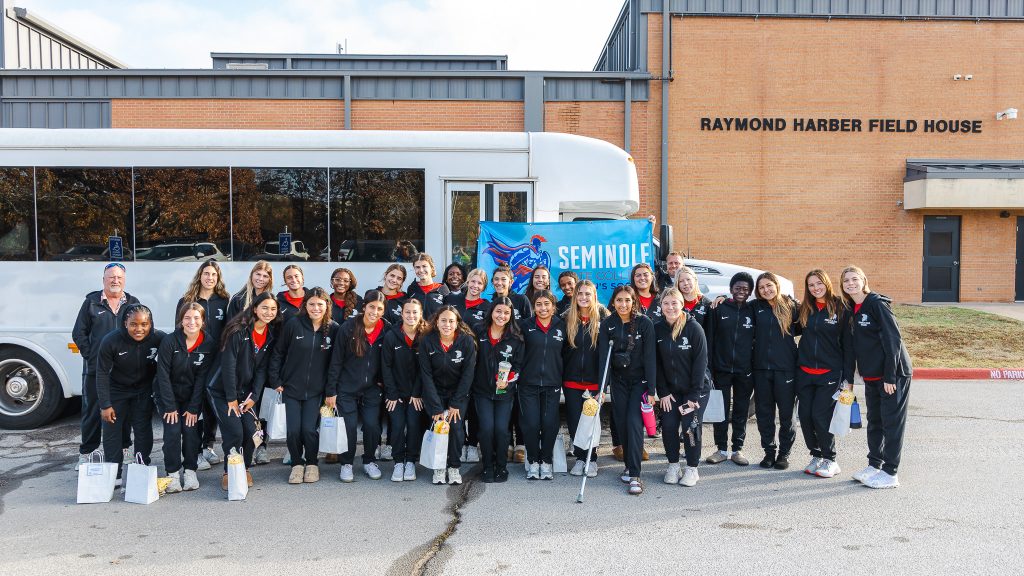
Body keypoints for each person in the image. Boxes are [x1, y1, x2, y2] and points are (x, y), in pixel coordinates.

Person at [841, 265, 912, 490]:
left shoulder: (877, 304)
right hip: (871, 376)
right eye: (846, 281)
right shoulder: (853, 308)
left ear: (863, 280)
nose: (850, 283)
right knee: (875, 421)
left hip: (892, 376)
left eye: (854, 279)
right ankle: (874, 465)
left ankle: (890, 473)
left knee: (892, 424)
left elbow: (894, 340)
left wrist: (890, 376)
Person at [269, 287, 341, 484]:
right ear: (305, 305)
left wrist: (331, 389)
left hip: (317, 391)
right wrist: (275, 380)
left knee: (309, 429)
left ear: (327, 305)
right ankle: (296, 464)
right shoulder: (293, 324)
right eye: (311, 304)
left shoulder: (334, 329)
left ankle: (311, 463)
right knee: (293, 430)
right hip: (291, 388)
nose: (316, 308)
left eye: (320, 304)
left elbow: (336, 363)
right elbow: (278, 353)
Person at [72, 262, 140, 470]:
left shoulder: (133, 303)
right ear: (104, 280)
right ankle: (87, 452)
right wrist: (92, 355)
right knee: (92, 411)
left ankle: (124, 448)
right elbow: (78, 333)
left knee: (122, 412)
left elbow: (139, 332)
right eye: (111, 277)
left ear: (124, 280)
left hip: (122, 372)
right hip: (95, 370)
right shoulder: (91, 302)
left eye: (119, 277)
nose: (115, 281)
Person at [211, 291, 279, 489]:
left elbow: (262, 370)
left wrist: (254, 397)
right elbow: (229, 366)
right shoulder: (238, 330)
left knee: (251, 432)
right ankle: (228, 471)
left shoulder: (270, 334)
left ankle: (244, 467)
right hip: (221, 391)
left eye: (273, 309)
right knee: (234, 432)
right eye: (264, 308)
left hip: (245, 392)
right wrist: (231, 398)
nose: (268, 312)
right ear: (255, 308)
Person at [94, 303, 164, 482]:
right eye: (134, 324)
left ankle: (141, 468)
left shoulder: (158, 338)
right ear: (125, 323)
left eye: (144, 324)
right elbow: (101, 373)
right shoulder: (111, 341)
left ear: (150, 324)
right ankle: (113, 474)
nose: (139, 329)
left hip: (143, 390)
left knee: (142, 429)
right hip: (117, 390)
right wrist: (105, 404)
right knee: (112, 432)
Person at [598, 285, 656, 495]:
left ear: (634, 302)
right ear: (613, 302)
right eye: (619, 300)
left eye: (627, 300)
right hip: (618, 381)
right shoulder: (608, 324)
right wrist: (601, 388)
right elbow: (603, 359)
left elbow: (650, 357)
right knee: (621, 423)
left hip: (639, 382)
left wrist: (651, 388)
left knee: (633, 422)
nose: (623, 304)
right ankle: (629, 464)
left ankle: (635, 475)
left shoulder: (644, 323)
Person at [154, 302, 217, 493]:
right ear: (181, 320)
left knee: (191, 432)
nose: (192, 322)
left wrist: (193, 408)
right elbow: (162, 375)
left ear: (203, 321)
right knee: (173, 432)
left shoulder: (208, 343)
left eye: (196, 318)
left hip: (192, 398)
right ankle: (172, 474)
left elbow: (201, 380)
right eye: (187, 318)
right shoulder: (169, 341)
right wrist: (170, 406)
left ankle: (190, 471)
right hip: (168, 397)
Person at [176, 259, 231, 471]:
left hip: (216, 362)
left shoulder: (224, 301)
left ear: (218, 279)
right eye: (206, 273)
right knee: (194, 406)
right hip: (193, 362)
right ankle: (195, 452)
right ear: (200, 275)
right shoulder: (186, 300)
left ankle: (208, 445)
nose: (210, 278)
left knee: (211, 408)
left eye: (214, 275)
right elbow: (178, 331)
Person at [332, 290, 390, 482]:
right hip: (347, 387)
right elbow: (336, 361)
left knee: (373, 426)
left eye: (379, 309)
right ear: (364, 307)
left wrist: (384, 381)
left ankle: (369, 461)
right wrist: (331, 390)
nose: (375, 311)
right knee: (349, 427)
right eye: (372, 307)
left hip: (372, 388)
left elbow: (390, 360)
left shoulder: (386, 330)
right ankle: (346, 463)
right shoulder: (348, 327)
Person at [796, 270, 848, 479]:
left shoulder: (840, 307)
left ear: (826, 283)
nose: (815, 288)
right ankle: (816, 455)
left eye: (819, 283)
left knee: (821, 415)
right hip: (805, 371)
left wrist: (848, 375)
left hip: (830, 372)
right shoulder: (805, 309)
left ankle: (830, 459)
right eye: (811, 285)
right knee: (805, 416)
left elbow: (848, 343)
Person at [655, 288, 710, 487]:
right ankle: (673, 465)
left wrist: (694, 395)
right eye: (666, 303)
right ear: (661, 306)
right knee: (669, 425)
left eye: (674, 303)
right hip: (671, 391)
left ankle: (692, 468)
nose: (670, 307)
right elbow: (657, 364)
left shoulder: (693, 328)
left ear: (681, 304)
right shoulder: (657, 329)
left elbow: (700, 363)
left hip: (695, 390)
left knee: (690, 428)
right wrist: (663, 392)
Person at [419, 306, 477, 485]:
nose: (447, 324)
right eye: (443, 320)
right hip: (434, 393)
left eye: (451, 321)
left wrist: (456, 403)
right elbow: (426, 376)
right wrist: (436, 406)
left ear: (457, 323)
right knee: (439, 429)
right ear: (436, 322)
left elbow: (468, 375)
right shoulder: (427, 341)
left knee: (457, 430)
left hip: (457, 395)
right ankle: (439, 467)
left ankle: (453, 467)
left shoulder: (466, 342)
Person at [703, 272, 756, 466]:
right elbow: (709, 339)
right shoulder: (718, 308)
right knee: (721, 411)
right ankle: (721, 449)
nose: (741, 291)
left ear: (750, 291)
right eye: (737, 288)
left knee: (741, 411)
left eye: (745, 288)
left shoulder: (754, 310)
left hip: (745, 371)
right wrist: (710, 367)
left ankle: (737, 449)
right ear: (731, 289)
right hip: (721, 369)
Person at [750, 272, 801, 470]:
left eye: (769, 285)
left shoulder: (791, 306)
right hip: (761, 368)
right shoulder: (754, 307)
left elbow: (806, 326)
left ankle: (784, 454)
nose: (766, 290)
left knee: (787, 415)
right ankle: (769, 452)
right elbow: (736, 307)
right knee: (764, 414)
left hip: (786, 369)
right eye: (761, 287)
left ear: (776, 285)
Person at [473, 297, 524, 483]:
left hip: (504, 393)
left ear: (511, 315)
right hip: (481, 391)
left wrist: (508, 382)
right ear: (491, 312)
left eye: (506, 313)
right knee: (486, 429)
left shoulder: (516, 337)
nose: (501, 316)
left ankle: (501, 466)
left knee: (502, 430)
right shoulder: (478, 331)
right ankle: (487, 466)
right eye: (498, 311)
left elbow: (518, 368)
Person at [443, 267, 491, 463]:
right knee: (458, 404)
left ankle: (472, 445)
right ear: (467, 282)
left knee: (474, 407)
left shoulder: (487, 306)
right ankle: (459, 443)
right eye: (472, 281)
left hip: (478, 362)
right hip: (454, 363)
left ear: (484, 287)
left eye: (479, 283)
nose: (475, 286)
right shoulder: (452, 301)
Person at [562, 280, 609, 478]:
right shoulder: (566, 318)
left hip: (593, 382)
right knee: (574, 422)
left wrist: (603, 386)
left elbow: (606, 355)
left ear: (594, 295)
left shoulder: (604, 318)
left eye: (587, 294)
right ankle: (580, 458)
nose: (583, 297)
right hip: (572, 381)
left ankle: (592, 459)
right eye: (580, 293)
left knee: (590, 422)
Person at [518, 289, 566, 480]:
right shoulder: (525, 326)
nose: (543, 308)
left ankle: (546, 461)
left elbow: (567, 355)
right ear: (533, 307)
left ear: (553, 307)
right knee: (531, 424)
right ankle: (533, 460)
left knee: (549, 424)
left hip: (552, 384)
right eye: (538, 304)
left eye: (547, 304)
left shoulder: (561, 326)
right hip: (528, 384)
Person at [382, 298, 428, 482]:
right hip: (396, 393)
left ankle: (411, 461)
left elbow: (424, 369)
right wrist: (392, 393)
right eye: (407, 312)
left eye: (415, 312)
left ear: (420, 314)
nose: (411, 316)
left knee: (415, 425)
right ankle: (398, 461)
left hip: (417, 394)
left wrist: (416, 393)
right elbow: (385, 366)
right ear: (401, 314)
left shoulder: (426, 336)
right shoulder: (391, 336)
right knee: (398, 426)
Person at [408, 253, 450, 318]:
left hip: (436, 328)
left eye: (424, 266)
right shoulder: (412, 289)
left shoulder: (442, 289)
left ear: (432, 268)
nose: (421, 270)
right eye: (417, 267)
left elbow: (448, 314)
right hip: (417, 328)